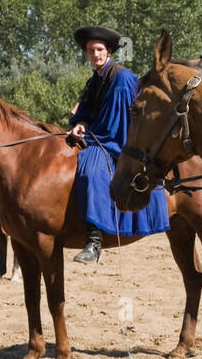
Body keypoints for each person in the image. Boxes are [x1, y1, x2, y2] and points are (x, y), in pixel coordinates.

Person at [69, 25, 170, 263]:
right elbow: (84, 111)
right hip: (97, 134)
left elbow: (118, 122)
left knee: (91, 170)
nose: (94, 54)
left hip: (119, 141)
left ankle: (94, 241)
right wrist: (80, 123)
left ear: (109, 51)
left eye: (99, 50)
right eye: (90, 50)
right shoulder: (94, 81)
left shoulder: (122, 78)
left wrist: (91, 135)